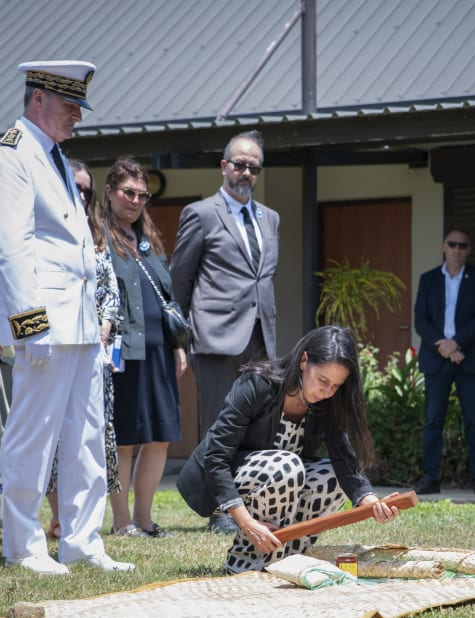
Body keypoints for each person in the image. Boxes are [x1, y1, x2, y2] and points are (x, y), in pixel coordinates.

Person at [0, 60, 133, 574]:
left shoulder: (53, 155)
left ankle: (83, 541)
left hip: (81, 324)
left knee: (87, 437)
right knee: (34, 435)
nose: (78, 118)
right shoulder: (12, 155)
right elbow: (12, 247)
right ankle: (24, 545)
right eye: (71, 107)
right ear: (39, 97)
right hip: (45, 324)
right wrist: (31, 328)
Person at [177, 325, 401, 572]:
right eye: (323, 380)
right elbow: (216, 457)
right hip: (228, 482)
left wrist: (371, 503)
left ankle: (288, 559)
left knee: (330, 477)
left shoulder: (327, 401)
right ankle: (246, 563)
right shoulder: (256, 384)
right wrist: (247, 523)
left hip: (283, 480)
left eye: (336, 386)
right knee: (286, 466)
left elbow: (343, 458)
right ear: (304, 361)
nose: (327, 392)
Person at [170, 130, 280, 533]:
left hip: (260, 338)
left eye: (253, 167)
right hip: (215, 337)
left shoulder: (271, 218)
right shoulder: (200, 214)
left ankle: (252, 504)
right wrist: (179, 339)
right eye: (239, 164)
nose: (245, 172)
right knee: (219, 424)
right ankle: (220, 510)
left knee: (259, 423)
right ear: (223, 166)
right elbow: (180, 282)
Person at [99, 159, 187, 538]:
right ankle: (121, 523)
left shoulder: (148, 239)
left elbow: (166, 294)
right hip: (123, 354)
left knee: (159, 436)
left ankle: (145, 519)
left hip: (159, 352)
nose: (134, 201)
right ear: (110, 192)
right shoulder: (98, 236)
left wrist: (178, 345)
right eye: (127, 193)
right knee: (124, 440)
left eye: (141, 195)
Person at [43, 158, 121, 541]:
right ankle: (59, 518)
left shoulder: (97, 232)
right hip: (55, 347)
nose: (81, 194)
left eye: (87, 189)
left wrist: (106, 323)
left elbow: (110, 290)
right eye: (74, 186)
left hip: (95, 351)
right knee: (55, 437)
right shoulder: (44, 227)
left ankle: (85, 524)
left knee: (91, 438)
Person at [414, 227, 475, 496]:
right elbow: (421, 320)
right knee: (432, 422)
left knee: (474, 421)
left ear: (468, 250)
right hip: (438, 358)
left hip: (470, 359)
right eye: (452, 244)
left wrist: (457, 343)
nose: (457, 249)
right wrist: (445, 347)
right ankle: (430, 479)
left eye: (463, 245)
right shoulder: (428, 279)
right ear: (444, 247)